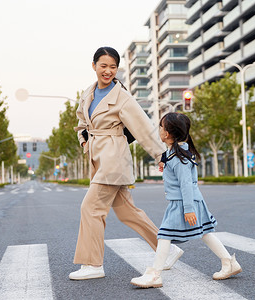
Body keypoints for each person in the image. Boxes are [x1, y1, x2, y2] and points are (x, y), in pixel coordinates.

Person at [69, 47, 183, 280]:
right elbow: (82, 122)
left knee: (90, 209)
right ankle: (168, 250)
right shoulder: (87, 93)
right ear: (94, 66)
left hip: (113, 159)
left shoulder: (121, 96)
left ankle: (93, 264)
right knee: (127, 212)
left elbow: (143, 126)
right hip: (98, 159)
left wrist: (161, 154)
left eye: (113, 67)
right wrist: (84, 142)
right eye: (103, 66)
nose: (108, 71)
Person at [130, 112, 242, 288]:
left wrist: (188, 208)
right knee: (205, 233)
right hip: (190, 201)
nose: (159, 129)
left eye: (161, 127)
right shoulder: (177, 153)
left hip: (183, 203)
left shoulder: (180, 158)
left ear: (167, 134)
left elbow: (186, 185)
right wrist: (164, 165)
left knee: (164, 236)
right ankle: (229, 262)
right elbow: (173, 166)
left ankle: (154, 275)